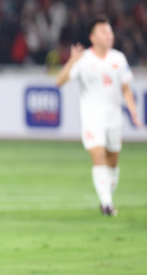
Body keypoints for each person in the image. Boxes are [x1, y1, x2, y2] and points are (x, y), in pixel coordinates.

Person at [56, 15, 139, 216]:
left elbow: (126, 89)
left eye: (109, 31)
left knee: (112, 160)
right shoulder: (83, 60)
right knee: (98, 156)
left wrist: (134, 111)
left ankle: (107, 196)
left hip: (114, 118)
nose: (109, 35)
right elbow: (59, 81)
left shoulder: (118, 58)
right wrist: (71, 61)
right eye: (103, 31)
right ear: (92, 37)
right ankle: (106, 204)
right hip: (92, 118)